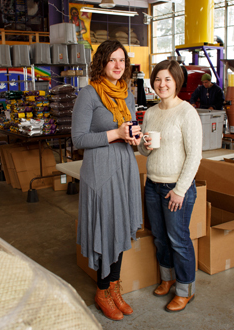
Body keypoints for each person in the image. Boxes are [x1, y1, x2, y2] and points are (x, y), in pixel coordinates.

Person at [72, 40, 143, 321]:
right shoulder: (88, 95)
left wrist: (137, 137)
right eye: (112, 60)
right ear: (101, 62)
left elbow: (131, 128)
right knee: (106, 226)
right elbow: (78, 139)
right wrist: (116, 133)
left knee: (120, 227)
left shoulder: (127, 94)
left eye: (122, 61)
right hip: (100, 173)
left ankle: (114, 286)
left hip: (125, 168)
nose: (117, 65)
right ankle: (102, 291)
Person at [138, 59, 202, 313]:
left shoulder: (187, 112)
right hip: (153, 185)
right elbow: (143, 150)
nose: (162, 84)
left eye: (167, 79)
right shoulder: (152, 113)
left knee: (178, 240)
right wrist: (145, 145)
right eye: (157, 79)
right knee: (161, 239)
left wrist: (179, 190)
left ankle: (186, 290)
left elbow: (194, 156)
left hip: (176, 188)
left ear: (177, 81)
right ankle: (168, 279)